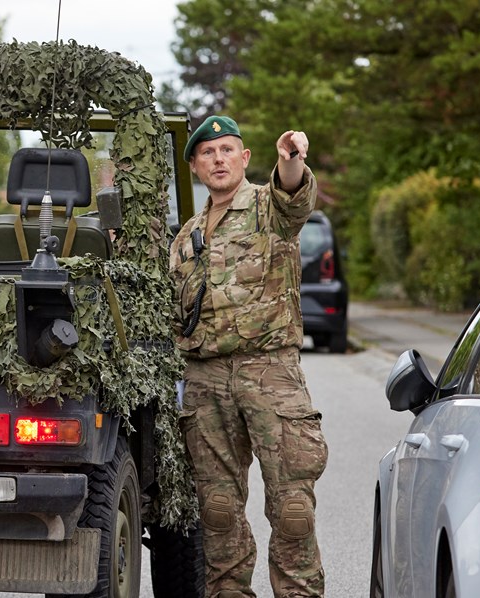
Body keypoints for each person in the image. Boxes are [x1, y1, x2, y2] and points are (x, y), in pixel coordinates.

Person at [168, 116, 328, 598]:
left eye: (227, 150)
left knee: (293, 508)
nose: (218, 159)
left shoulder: (267, 207)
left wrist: (292, 159)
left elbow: (294, 196)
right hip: (205, 379)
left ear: (245, 159)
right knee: (217, 511)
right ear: (195, 166)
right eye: (207, 152)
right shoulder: (184, 239)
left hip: (270, 372)